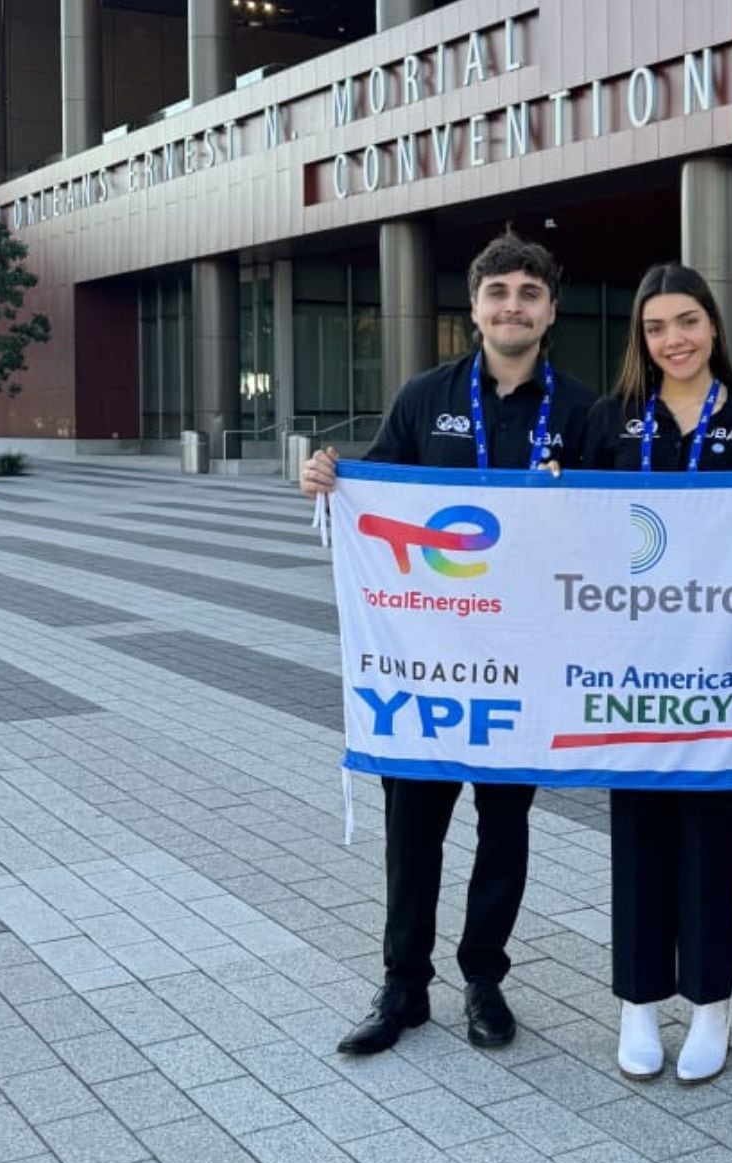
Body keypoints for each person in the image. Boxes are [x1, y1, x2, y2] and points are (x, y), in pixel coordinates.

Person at [301, 229, 595, 1055]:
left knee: (505, 832)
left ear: (550, 312)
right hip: (426, 665)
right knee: (413, 835)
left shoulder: (582, 411)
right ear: (473, 310)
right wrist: (327, 483)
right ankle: (403, 989)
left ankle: (485, 980)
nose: (513, 307)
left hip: (524, 667)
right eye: (498, 293)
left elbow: (614, 531)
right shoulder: (424, 398)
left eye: (528, 295)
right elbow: (373, 500)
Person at [574, 263, 732, 1084]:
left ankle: (709, 1004)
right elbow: (575, 533)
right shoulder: (609, 421)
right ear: (643, 337)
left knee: (708, 837)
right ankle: (637, 1002)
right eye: (658, 326)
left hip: (715, 669)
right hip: (629, 669)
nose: (675, 339)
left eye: (689, 321)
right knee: (637, 833)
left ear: (714, 327)